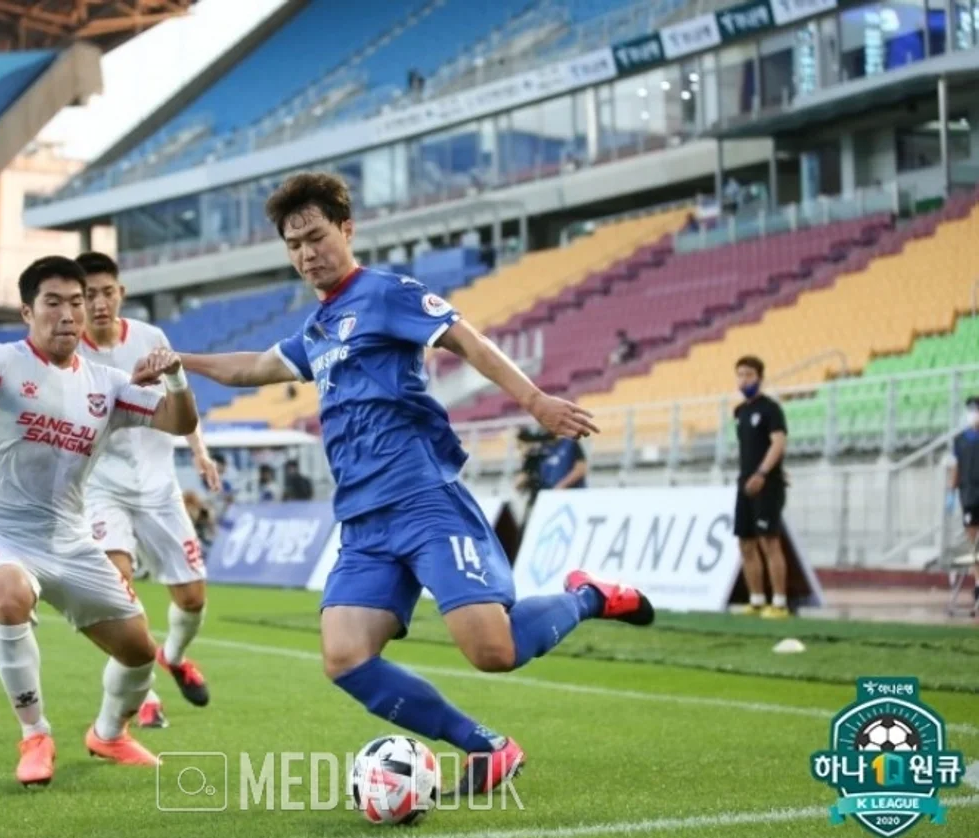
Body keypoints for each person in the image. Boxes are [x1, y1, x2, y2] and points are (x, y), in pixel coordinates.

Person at [179, 172, 653, 798]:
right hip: (363, 522)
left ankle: (588, 596)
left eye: (316, 237)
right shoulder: (318, 330)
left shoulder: (385, 293)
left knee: (494, 651)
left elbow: (466, 339)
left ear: (347, 230)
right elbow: (253, 367)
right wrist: (180, 361)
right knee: (344, 657)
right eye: (294, 245)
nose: (307, 254)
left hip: (422, 499)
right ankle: (487, 747)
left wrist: (535, 400)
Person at [0, 255, 199, 787]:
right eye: (54, 302)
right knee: (8, 598)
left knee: (139, 653)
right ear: (27, 311)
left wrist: (175, 376)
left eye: (77, 303)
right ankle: (35, 734)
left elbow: (178, 421)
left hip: (71, 540)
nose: (68, 314)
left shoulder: (107, 384)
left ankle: (109, 734)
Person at [76, 250, 221, 730]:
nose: (99, 303)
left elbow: (180, 397)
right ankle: (145, 694)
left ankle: (173, 657)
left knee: (192, 599)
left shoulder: (150, 337)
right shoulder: (71, 354)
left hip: (159, 487)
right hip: (103, 488)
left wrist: (199, 451)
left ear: (121, 293)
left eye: (107, 292)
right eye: (89, 295)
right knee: (116, 589)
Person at [732, 355, 789, 618]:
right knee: (746, 542)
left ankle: (779, 602)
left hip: (766, 482)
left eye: (749, 375)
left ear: (760, 378)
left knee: (769, 541)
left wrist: (764, 472)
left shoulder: (771, 409)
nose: (744, 380)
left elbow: (778, 443)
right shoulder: (739, 412)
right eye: (740, 375)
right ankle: (756, 600)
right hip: (744, 481)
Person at [947, 396, 979, 615]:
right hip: (968, 496)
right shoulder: (960, 441)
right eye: (971, 410)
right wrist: (951, 492)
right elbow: (956, 467)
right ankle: (978, 586)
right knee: (973, 545)